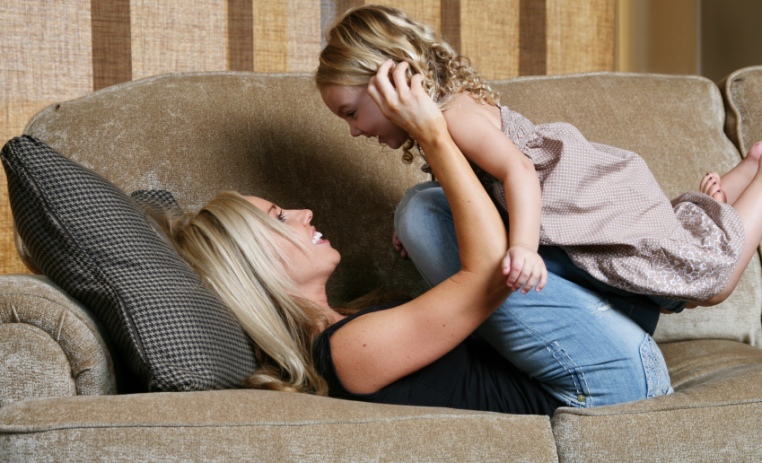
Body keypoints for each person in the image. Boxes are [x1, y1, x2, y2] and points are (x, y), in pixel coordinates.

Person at [163, 62, 671, 414]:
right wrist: (433, 134)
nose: (302, 212)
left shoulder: (354, 324)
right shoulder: (345, 352)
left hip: (608, 350)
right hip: (607, 391)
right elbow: (489, 278)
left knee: (430, 209)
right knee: (424, 208)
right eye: (278, 218)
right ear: (252, 266)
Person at [315, 4, 762, 314]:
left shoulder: (454, 119)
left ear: (390, 79)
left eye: (351, 114)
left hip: (583, 199)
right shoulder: (449, 118)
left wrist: (524, 249)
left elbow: (517, 170)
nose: (354, 131)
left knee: (714, 283)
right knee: (678, 250)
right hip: (583, 202)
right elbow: (480, 193)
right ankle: (743, 174)